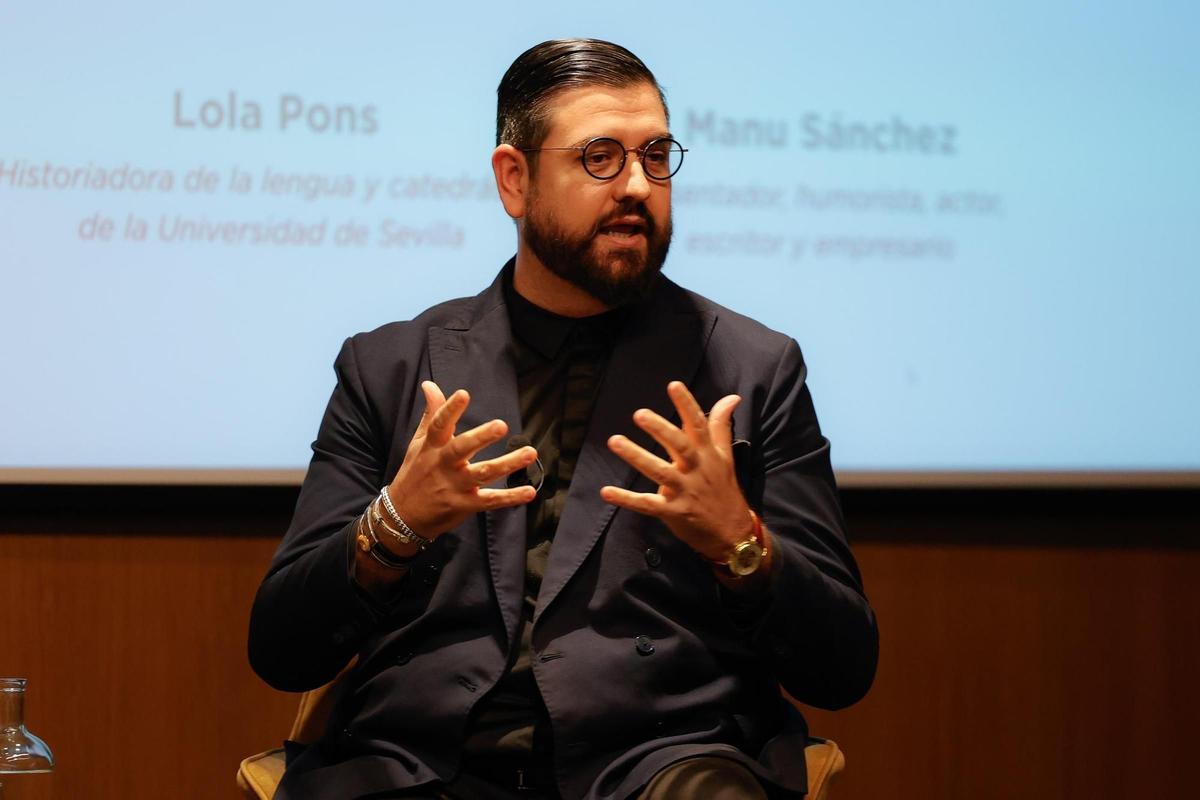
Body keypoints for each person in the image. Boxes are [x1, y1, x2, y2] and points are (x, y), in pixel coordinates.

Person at [248, 38, 878, 800]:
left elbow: (843, 668)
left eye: (656, 156)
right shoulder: (391, 369)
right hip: (428, 760)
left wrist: (741, 544)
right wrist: (393, 527)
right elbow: (282, 650)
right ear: (514, 181)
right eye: (600, 158)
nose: (638, 187)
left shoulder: (749, 370)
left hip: (660, 762)